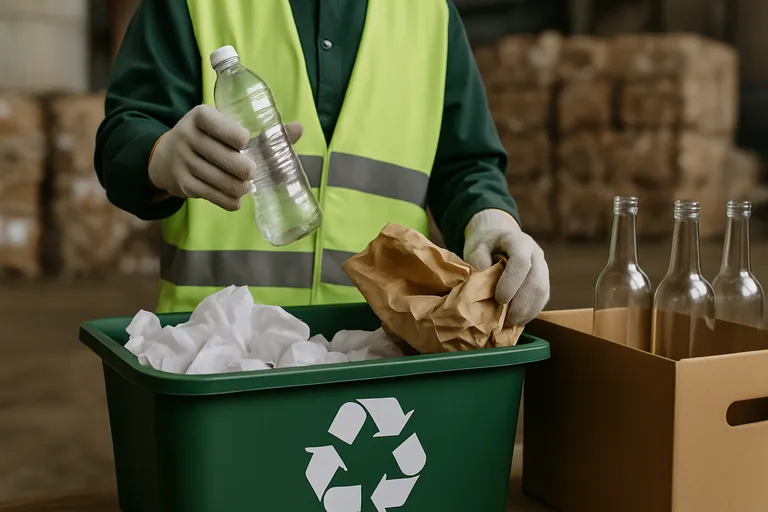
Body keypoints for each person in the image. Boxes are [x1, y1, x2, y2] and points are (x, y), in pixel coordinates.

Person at [95, 0, 550, 326]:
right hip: (219, 348)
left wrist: (490, 219)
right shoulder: (192, 4)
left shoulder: (430, 12)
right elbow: (124, 132)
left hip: (382, 341)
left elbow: (465, 163)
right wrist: (158, 156)